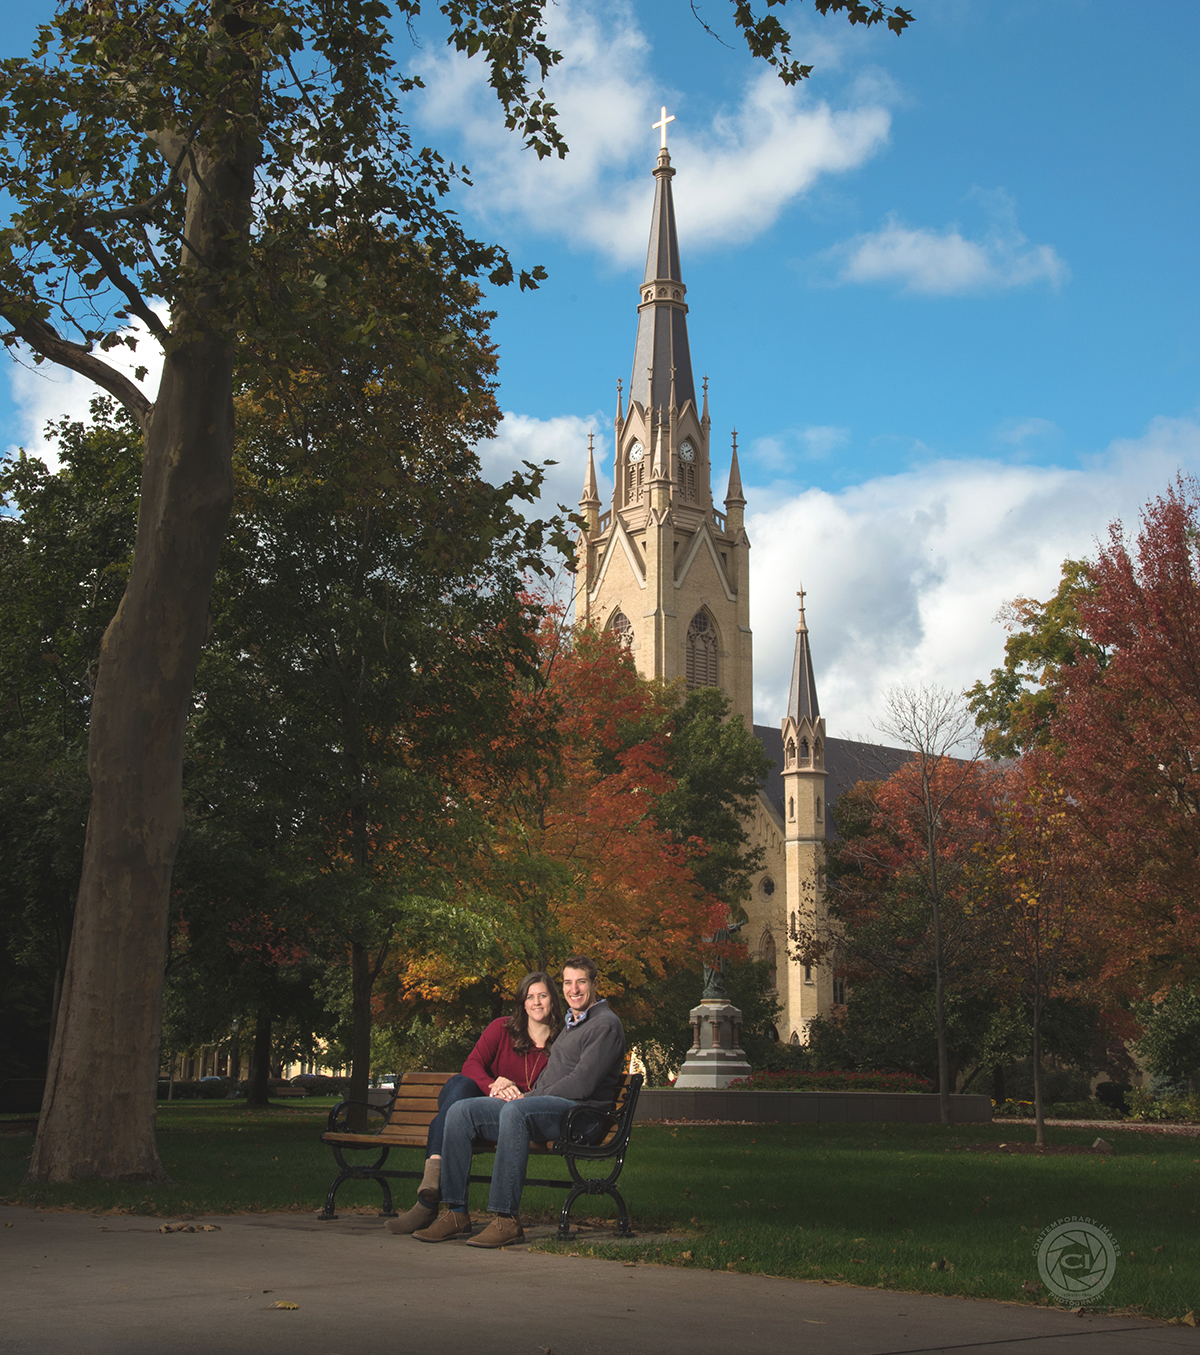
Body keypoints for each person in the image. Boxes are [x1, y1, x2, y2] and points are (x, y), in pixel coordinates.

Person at [412, 955, 625, 1249]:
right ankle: (456, 1213)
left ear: (595, 984)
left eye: (581, 982)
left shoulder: (605, 1025)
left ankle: (506, 1219)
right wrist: (524, 1095)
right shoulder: (574, 1024)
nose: (573, 989)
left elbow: (582, 1084)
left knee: (516, 1111)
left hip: (583, 1116)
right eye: (567, 982)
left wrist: (528, 1097)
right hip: (553, 1107)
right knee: (461, 1112)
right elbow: (549, 1079)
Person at [386, 971, 563, 1235]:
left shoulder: (562, 1043)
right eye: (530, 997)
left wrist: (514, 1093)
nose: (536, 1002)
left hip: (514, 1112)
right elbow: (471, 1065)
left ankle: (428, 1202)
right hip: (481, 1098)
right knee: (459, 1086)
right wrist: (495, 1085)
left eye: (542, 996)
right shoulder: (502, 1028)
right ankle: (436, 1183)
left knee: (450, 1113)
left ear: (553, 1001)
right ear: (522, 1003)